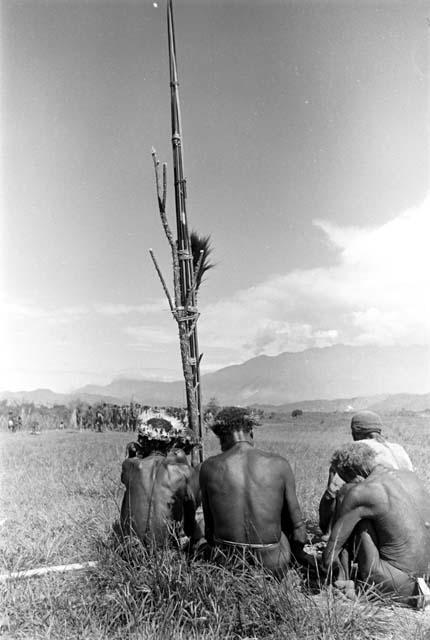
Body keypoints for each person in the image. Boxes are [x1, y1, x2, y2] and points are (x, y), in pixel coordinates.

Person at [199, 406, 307, 577]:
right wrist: (298, 555)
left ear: (222, 437)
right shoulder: (279, 464)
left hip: (228, 563)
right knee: (285, 525)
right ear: (251, 431)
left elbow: (210, 531)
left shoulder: (208, 467)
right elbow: (299, 532)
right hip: (273, 564)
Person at [322, 443, 430, 606]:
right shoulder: (395, 478)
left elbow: (331, 552)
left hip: (396, 587)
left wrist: (329, 572)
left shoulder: (362, 492)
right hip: (420, 582)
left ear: (348, 471)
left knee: (359, 521)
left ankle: (354, 587)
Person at [319, 411, 413, 536]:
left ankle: (332, 536)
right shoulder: (399, 449)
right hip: (410, 515)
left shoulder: (355, 450)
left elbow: (331, 494)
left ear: (354, 432)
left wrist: (325, 527)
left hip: (383, 517)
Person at [120, 409, 202, 548]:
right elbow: (189, 526)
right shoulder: (183, 472)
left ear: (141, 440)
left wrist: (135, 452)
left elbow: (131, 473)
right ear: (171, 443)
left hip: (129, 550)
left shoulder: (130, 466)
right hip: (167, 553)